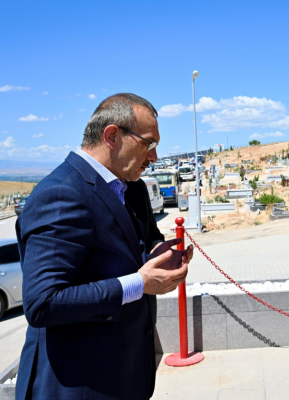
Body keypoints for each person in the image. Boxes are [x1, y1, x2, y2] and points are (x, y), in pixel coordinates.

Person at [15, 93, 193, 400]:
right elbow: (43, 303)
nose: (154, 157)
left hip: (125, 377)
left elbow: (143, 240)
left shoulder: (131, 188)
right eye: (149, 143)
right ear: (112, 135)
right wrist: (140, 283)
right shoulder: (61, 194)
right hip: (78, 386)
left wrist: (159, 252)